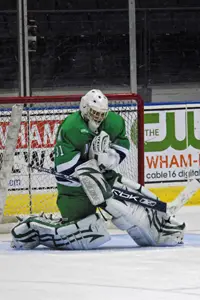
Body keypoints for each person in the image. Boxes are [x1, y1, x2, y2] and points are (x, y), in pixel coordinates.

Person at [11, 89, 185, 250]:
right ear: (85, 108)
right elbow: (63, 167)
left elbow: (122, 146)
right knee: (85, 236)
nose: (98, 117)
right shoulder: (70, 127)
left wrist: (109, 159)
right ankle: (35, 228)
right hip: (74, 189)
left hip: (104, 177)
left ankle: (158, 225)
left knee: (130, 212)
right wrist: (90, 166)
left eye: (102, 114)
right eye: (95, 113)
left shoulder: (114, 122)